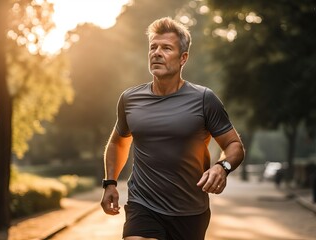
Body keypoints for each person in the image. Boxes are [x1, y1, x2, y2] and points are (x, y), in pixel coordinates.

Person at [101, 17, 245, 240]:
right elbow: (118, 141)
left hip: (190, 212)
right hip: (143, 205)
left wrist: (222, 167)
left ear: (183, 58)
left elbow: (234, 145)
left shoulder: (204, 99)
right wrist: (110, 182)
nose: (156, 52)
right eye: (153, 47)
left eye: (166, 48)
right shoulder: (130, 99)